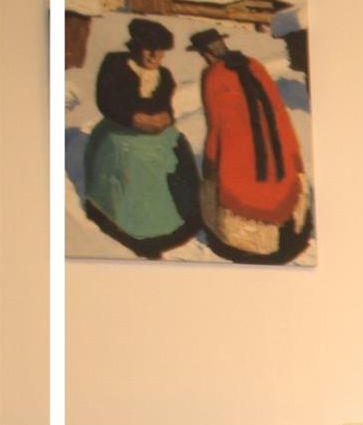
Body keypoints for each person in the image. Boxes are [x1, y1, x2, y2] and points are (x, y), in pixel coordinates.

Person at [188, 27, 311, 264]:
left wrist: (211, 162)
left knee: (234, 191)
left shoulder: (213, 75)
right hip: (276, 144)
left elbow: (216, 124)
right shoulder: (255, 65)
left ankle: (249, 242)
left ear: (207, 54)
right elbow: (276, 109)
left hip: (239, 150)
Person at [80, 17, 199, 258]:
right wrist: (133, 118)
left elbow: (165, 106)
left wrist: (164, 118)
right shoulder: (115, 65)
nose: (154, 56)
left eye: (160, 51)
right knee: (133, 160)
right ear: (136, 46)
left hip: (155, 133)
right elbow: (107, 101)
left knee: (179, 149)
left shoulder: (164, 75)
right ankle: (130, 228)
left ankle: (182, 220)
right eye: (149, 49)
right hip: (120, 130)